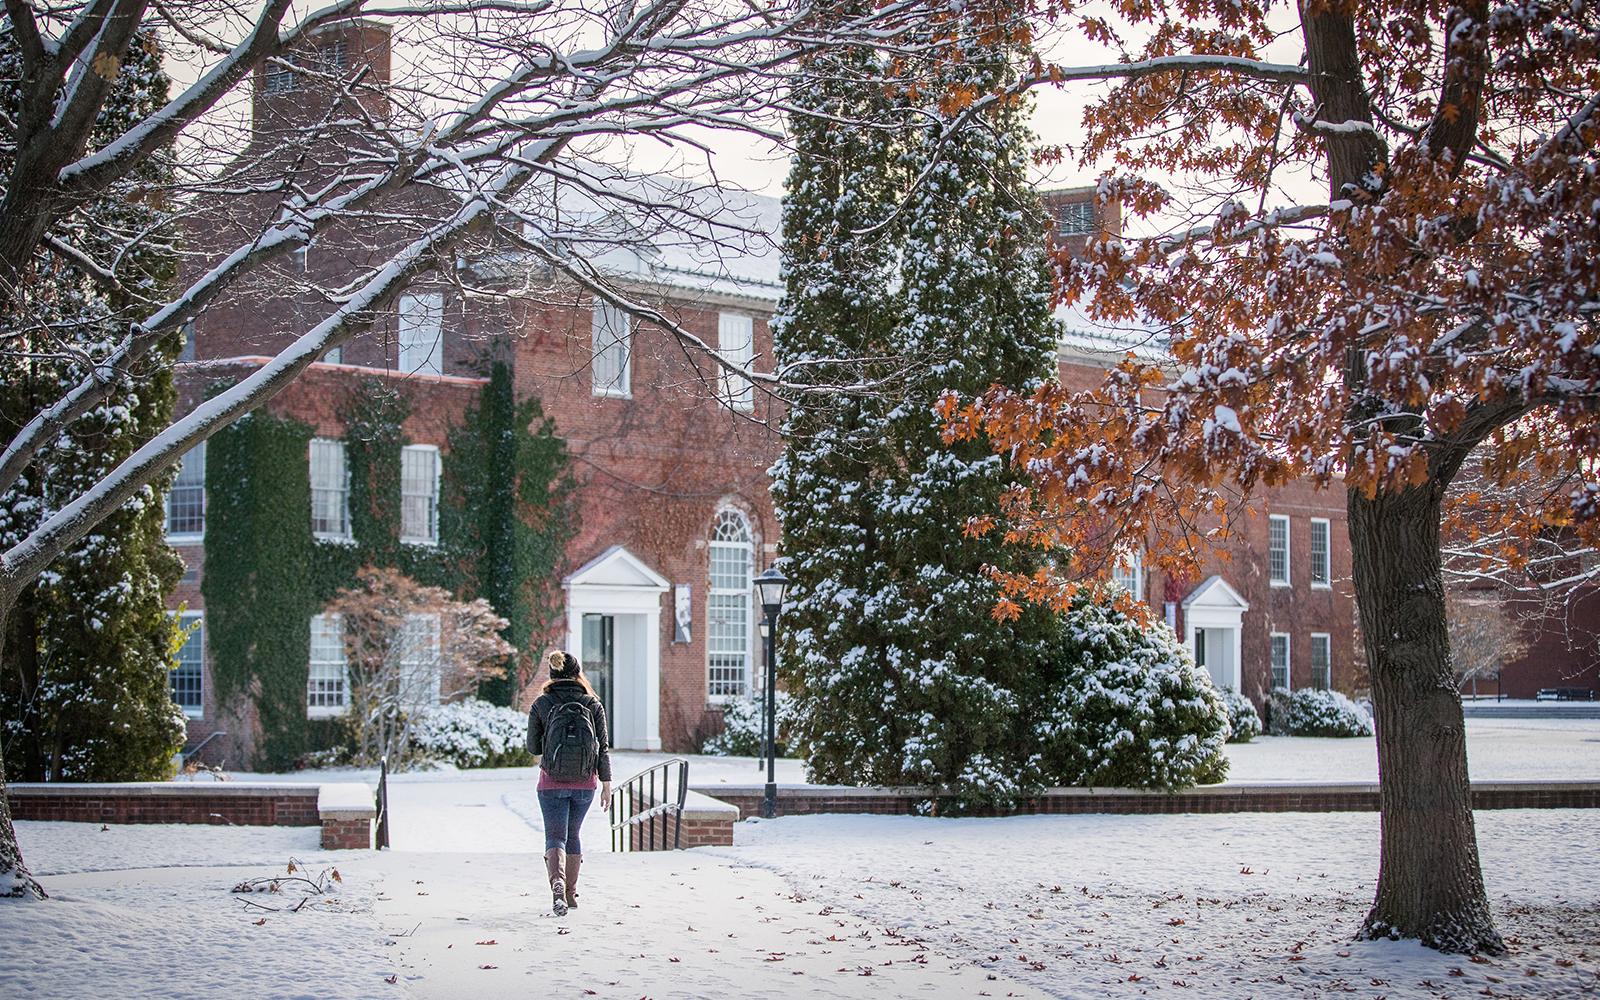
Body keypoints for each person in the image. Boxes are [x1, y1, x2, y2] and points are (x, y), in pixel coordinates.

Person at [527, 649, 612, 916]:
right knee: (573, 835)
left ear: (552, 674)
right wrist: (606, 783)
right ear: (577, 674)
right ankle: (570, 894)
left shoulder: (541, 703)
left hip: (551, 781)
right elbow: (603, 748)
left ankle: (557, 883)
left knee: (555, 836)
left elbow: (532, 747)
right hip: (586, 783)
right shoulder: (592, 704)